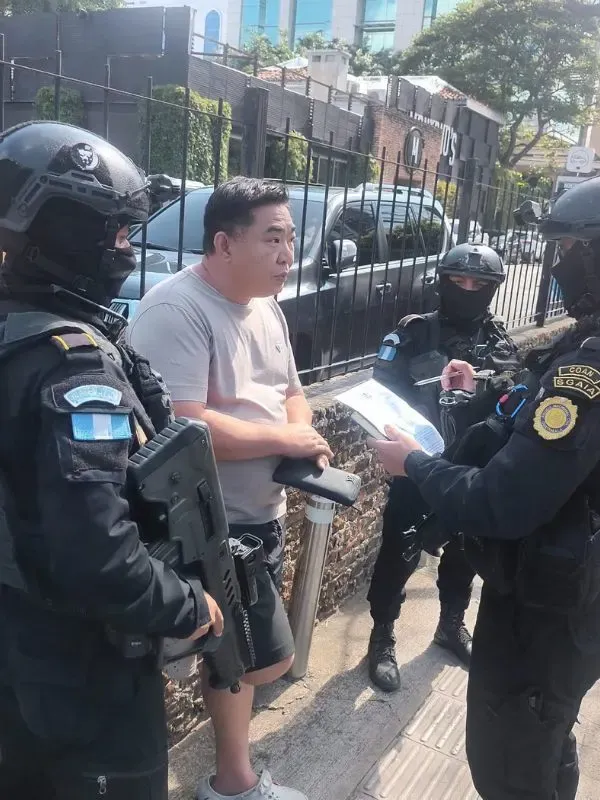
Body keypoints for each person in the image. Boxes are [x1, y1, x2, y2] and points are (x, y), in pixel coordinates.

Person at [0, 121, 223, 799]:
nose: (127, 249)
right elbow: (100, 558)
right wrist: (190, 606)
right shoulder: (73, 366)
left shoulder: (17, 336)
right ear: (65, 232)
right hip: (80, 672)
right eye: (117, 233)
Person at [369, 177, 600, 799]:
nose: (557, 265)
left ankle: (451, 623)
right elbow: (524, 399)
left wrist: (418, 463)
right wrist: (483, 393)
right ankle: (383, 632)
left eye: (569, 249)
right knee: (546, 739)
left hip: (546, 597)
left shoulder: (587, 366)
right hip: (555, 583)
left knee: (512, 760)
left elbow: (503, 501)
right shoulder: (577, 345)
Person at [128, 176, 333, 800]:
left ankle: (232, 779)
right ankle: (226, 781)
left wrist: (301, 438)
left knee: (238, 658)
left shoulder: (266, 305)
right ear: (223, 243)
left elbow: (291, 391)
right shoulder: (176, 311)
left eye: (290, 238)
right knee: (250, 657)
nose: (287, 254)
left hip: (261, 511)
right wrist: (286, 440)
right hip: (206, 525)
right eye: (272, 239)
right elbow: (180, 428)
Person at [366, 242, 519, 692]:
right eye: (458, 280)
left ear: (493, 288)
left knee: (466, 550)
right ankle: (382, 634)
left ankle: (451, 623)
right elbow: (380, 396)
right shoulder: (412, 335)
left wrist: (483, 388)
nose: (468, 290)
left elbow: (512, 400)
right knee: (400, 549)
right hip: (417, 463)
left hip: (471, 470)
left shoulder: (499, 342)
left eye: (479, 283)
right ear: (442, 281)